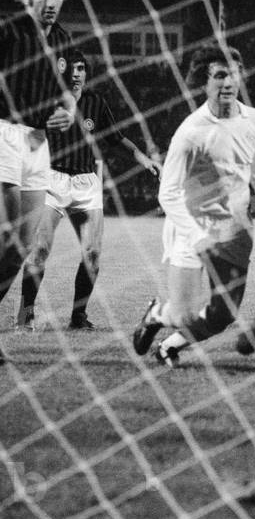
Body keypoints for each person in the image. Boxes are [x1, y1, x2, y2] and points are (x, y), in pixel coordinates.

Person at [131, 43, 255, 366]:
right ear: (205, 82)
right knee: (182, 314)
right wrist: (198, 236)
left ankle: (168, 347)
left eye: (234, 74)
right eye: (220, 75)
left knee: (223, 315)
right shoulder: (191, 132)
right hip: (189, 226)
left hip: (233, 229)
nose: (228, 82)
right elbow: (168, 193)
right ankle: (157, 315)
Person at [16, 50, 162, 331]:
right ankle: (25, 315)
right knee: (40, 250)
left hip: (86, 183)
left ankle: (78, 316)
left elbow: (116, 138)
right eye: (72, 68)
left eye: (81, 68)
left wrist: (144, 159)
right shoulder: (46, 102)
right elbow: (27, 138)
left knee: (93, 253)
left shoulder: (96, 102)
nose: (76, 73)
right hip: (51, 180)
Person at [0, 0, 75, 358]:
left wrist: (69, 111)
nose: (51, 3)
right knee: (7, 237)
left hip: (38, 142)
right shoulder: (8, 30)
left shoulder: (62, 38)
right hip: (3, 133)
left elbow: (67, 90)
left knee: (21, 247)